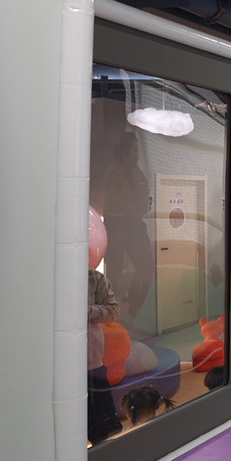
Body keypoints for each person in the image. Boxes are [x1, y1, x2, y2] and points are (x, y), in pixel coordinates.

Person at [102, 132, 153, 326]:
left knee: (146, 267)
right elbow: (115, 204)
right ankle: (109, 314)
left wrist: (134, 205)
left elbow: (144, 205)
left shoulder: (138, 175)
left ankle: (132, 306)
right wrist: (131, 205)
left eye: (138, 151)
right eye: (134, 151)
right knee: (113, 273)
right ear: (124, 152)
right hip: (116, 226)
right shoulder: (112, 174)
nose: (137, 156)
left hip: (134, 225)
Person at [87, 268, 123, 445]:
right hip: (53, 365)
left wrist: (88, 311)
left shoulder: (94, 277)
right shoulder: (42, 277)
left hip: (91, 363)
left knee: (101, 431)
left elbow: (113, 311)